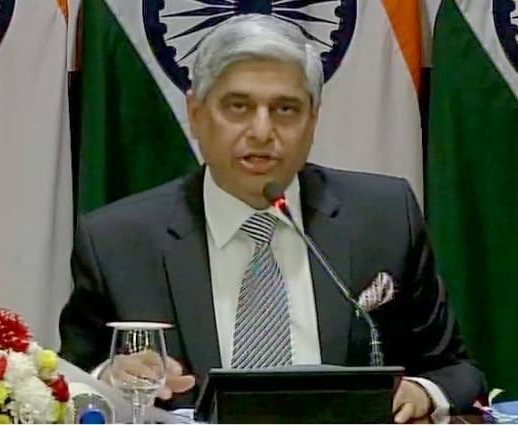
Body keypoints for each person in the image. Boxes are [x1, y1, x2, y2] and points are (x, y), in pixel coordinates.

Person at [59, 14, 485, 422]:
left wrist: (421, 392)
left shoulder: (383, 217)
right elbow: (68, 387)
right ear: (196, 114)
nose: (262, 131)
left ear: (313, 119)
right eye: (238, 107)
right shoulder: (119, 241)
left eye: (285, 109)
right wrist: (110, 380)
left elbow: (456, 370)